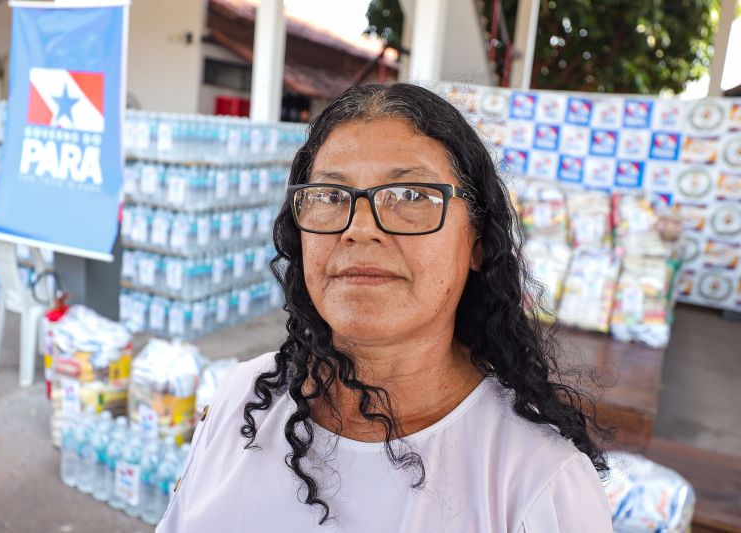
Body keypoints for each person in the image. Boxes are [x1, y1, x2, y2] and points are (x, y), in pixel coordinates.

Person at [156, 83, 613, 532]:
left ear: (478, 240)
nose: (359, 229)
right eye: (330, 196)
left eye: (411, 196)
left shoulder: (539, 483)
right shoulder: (243, 400)